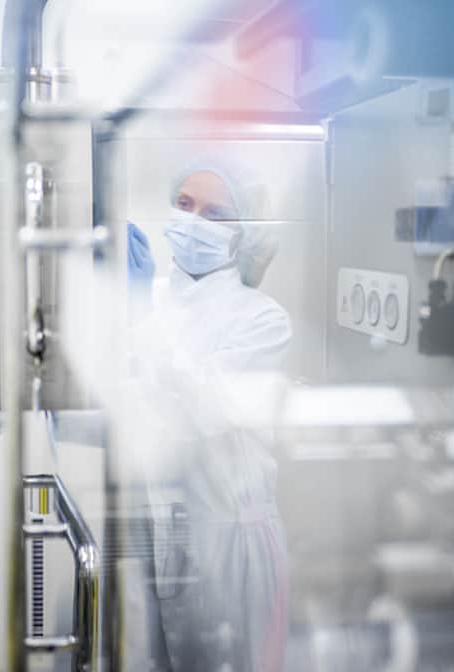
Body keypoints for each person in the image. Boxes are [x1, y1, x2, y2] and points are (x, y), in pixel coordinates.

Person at [125, 158, 291, 671]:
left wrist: (140, 320)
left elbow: (200, 408)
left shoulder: (263, 319)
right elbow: (120, 411)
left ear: (244, 233)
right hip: (152, 539)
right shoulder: (148, 299)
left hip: (230, 547)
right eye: (184, 204)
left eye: (215, 214)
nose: (193, 221)